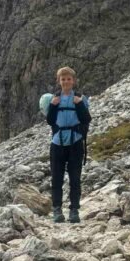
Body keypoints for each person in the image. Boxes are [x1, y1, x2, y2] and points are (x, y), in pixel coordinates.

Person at [40, 66, 91, 224]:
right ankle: (57, 211)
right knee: (57, 178)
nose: (66, 81)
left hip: (75, 142)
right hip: (57, 143)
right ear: (59, 81)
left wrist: (80, 105)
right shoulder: (54, 99)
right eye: (63, 79)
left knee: (75, 178)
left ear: (73, 81)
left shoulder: (80, 98)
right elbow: (50, 121)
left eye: (69, 79)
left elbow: (86, 119)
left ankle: (74, 211)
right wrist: (54, 106)